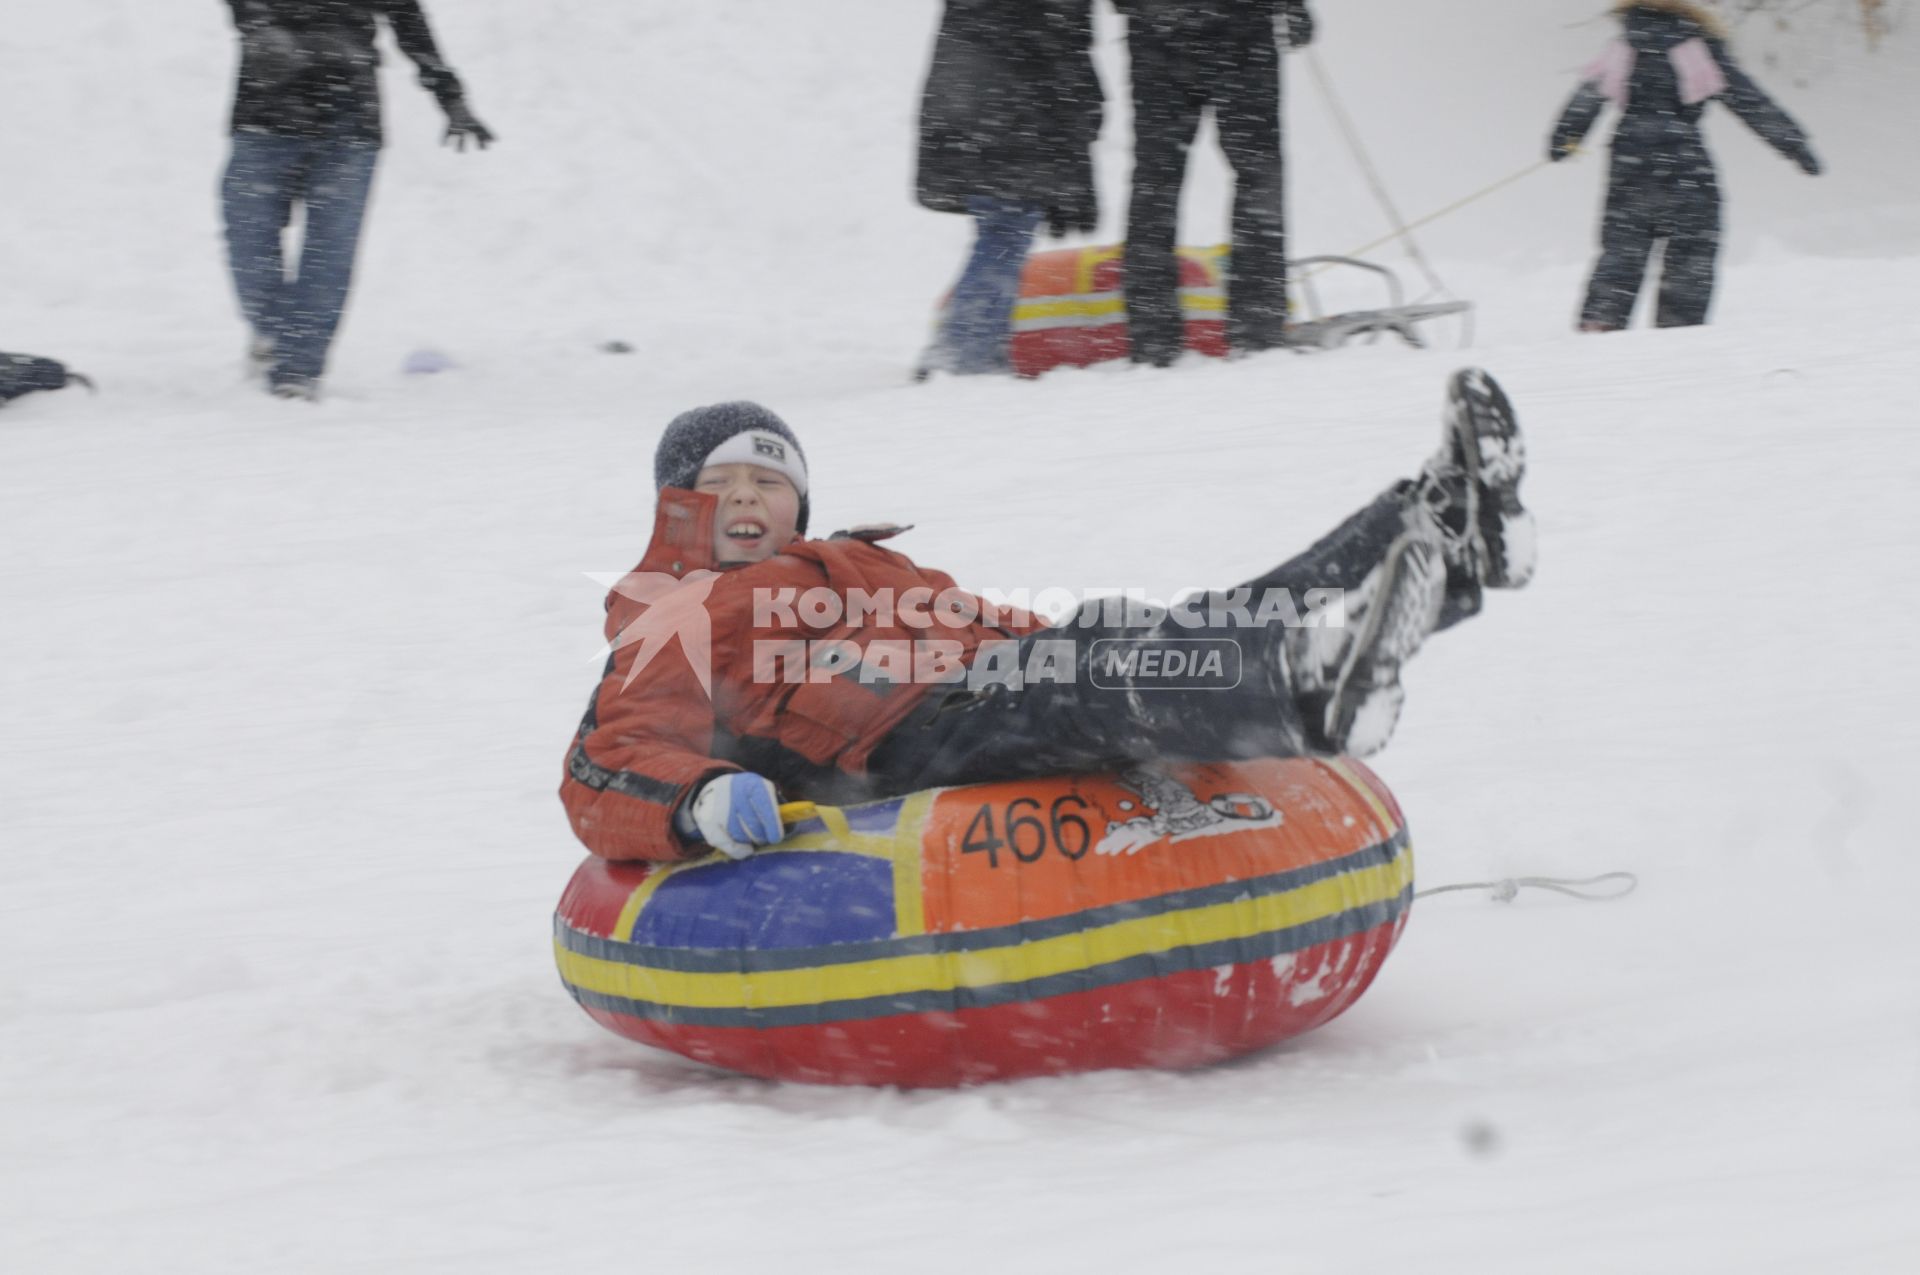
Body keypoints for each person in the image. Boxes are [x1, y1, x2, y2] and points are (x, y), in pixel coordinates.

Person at [559, 369, 1534, 863]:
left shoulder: (859, 560)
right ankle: (1306, 697)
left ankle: (1436, 528)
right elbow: (608, 758)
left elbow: (981, 623)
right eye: (719, 483)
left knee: (1127, 634)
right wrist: (694, 801)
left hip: (966, 691)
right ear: (675, 505)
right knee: (1082, 681)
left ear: (799, 503)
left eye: (769, 482)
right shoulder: (673, 613)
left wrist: (1096, 640)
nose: (746, 498)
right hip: (881, 746)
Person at [220, 1, 494, 401]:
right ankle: (276, 332)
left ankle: (297, 371)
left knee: (329, 255)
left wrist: (450, 96)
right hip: (265, 113)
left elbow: (407, 16)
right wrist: (258, 23)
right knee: (248, 239)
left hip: (348, 122)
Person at [1549, 0, 1820, 332]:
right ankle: (1679, 328)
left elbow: (1587, 96)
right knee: (1692, 247)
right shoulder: (1697, 46)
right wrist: (1794, 145)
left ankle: (1602, 320)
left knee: (1623, 246)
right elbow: (1748, 100)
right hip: (1683, 159)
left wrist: (1566, 138)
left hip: (1629, 159)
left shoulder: (1622, 47)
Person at [1115, 1, 1315, 367]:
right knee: (1257, 176)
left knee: (1155, 181)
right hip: (1238, 29)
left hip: (1160, 31)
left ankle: (1152, 339)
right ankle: (1257, 332)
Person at [913, 0, 1104, 377]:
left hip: (977, 107)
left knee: (1000, 235)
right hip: (1011, 117)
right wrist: (1078, 152)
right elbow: (1062, 56)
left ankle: (968, 346)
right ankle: (964, 355)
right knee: (1003, 236)